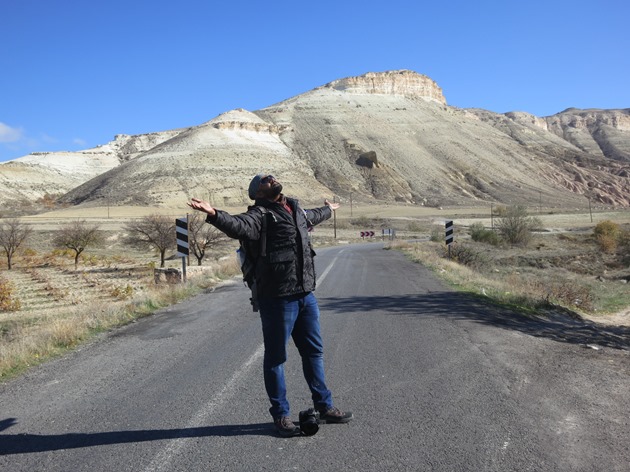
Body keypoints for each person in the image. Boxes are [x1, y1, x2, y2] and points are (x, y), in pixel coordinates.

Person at [187, 174, 353, 437]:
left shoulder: (295, 210)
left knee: (314, 353)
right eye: (264, 180)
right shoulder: (260, 216)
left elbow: (314, 215)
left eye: (270, 176)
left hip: (305, 295)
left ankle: (324, 406)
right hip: (277, 298)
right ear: (259, 193)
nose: (270, 178)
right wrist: (215, 214)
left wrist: (329, 210)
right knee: (276, 358)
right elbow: (237, 225)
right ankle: (281, 415)